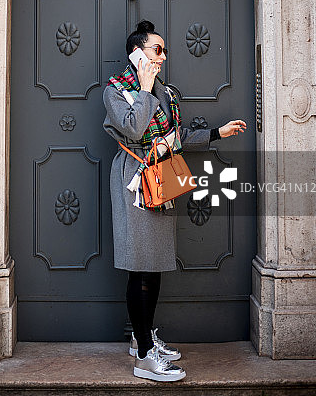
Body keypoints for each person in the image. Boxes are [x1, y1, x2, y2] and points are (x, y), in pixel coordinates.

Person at [103, 19, 246, 383]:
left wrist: (217, 132)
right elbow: (134, 128)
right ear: (136, 53)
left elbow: (176, 135)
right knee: (140, 263)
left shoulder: (165, 92)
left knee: (156, 262)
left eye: (164, 50)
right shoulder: (116, 90)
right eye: (157, 49)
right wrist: (147, 89)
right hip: (135, 178)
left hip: (163, 174)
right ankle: (145, 359)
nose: (163, 56)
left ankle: (143, 339)